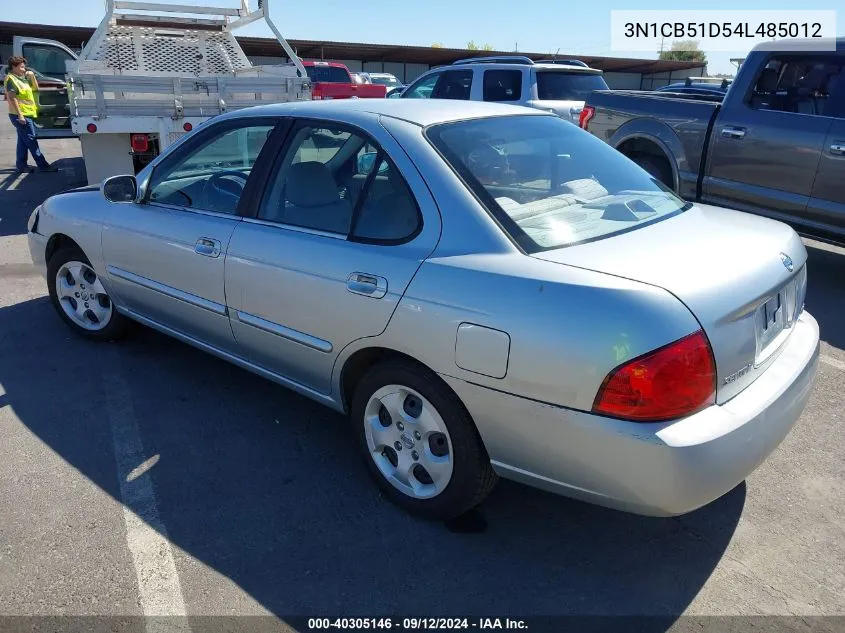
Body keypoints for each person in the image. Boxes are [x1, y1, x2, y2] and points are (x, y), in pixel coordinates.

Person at [4, 56, 57, 173]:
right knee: (32, 141)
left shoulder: (21, 78)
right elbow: (12, 99)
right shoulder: (11, 79)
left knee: (23, 142)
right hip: (20, 116)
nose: (24, 69)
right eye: (21, 67)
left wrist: (32, 76)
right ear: (14, 66)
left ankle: (21, 165)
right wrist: (20, 116)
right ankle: (43, 166)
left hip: (27, 114)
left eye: (24, 67)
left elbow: (35, 88)